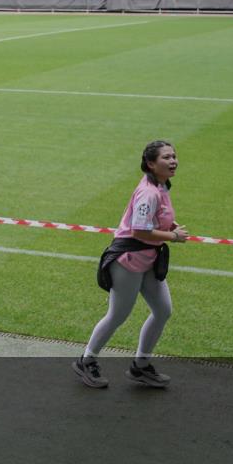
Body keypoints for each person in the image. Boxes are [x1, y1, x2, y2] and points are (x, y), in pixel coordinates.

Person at [73, 140, 187, 389]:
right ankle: (86, 360)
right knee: (118, 315)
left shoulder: (161, 185)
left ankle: (141, 366)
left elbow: (157, 216)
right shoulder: (149, 191)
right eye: (166, 157)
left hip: (148, 258)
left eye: (174, 156)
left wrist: (171, 225)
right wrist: (172, 237)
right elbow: (139, 230)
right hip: (128, 260)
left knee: (163, 310)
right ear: (150, 163)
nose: (173, 161)